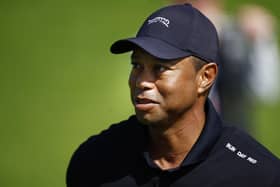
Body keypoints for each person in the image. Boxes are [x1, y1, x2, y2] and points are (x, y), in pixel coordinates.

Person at [66, 4, 280, 187]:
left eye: (160, 68)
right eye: (137, 65)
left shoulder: (259, 176)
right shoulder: (94, 162)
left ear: (205, 77)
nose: (141, 81)